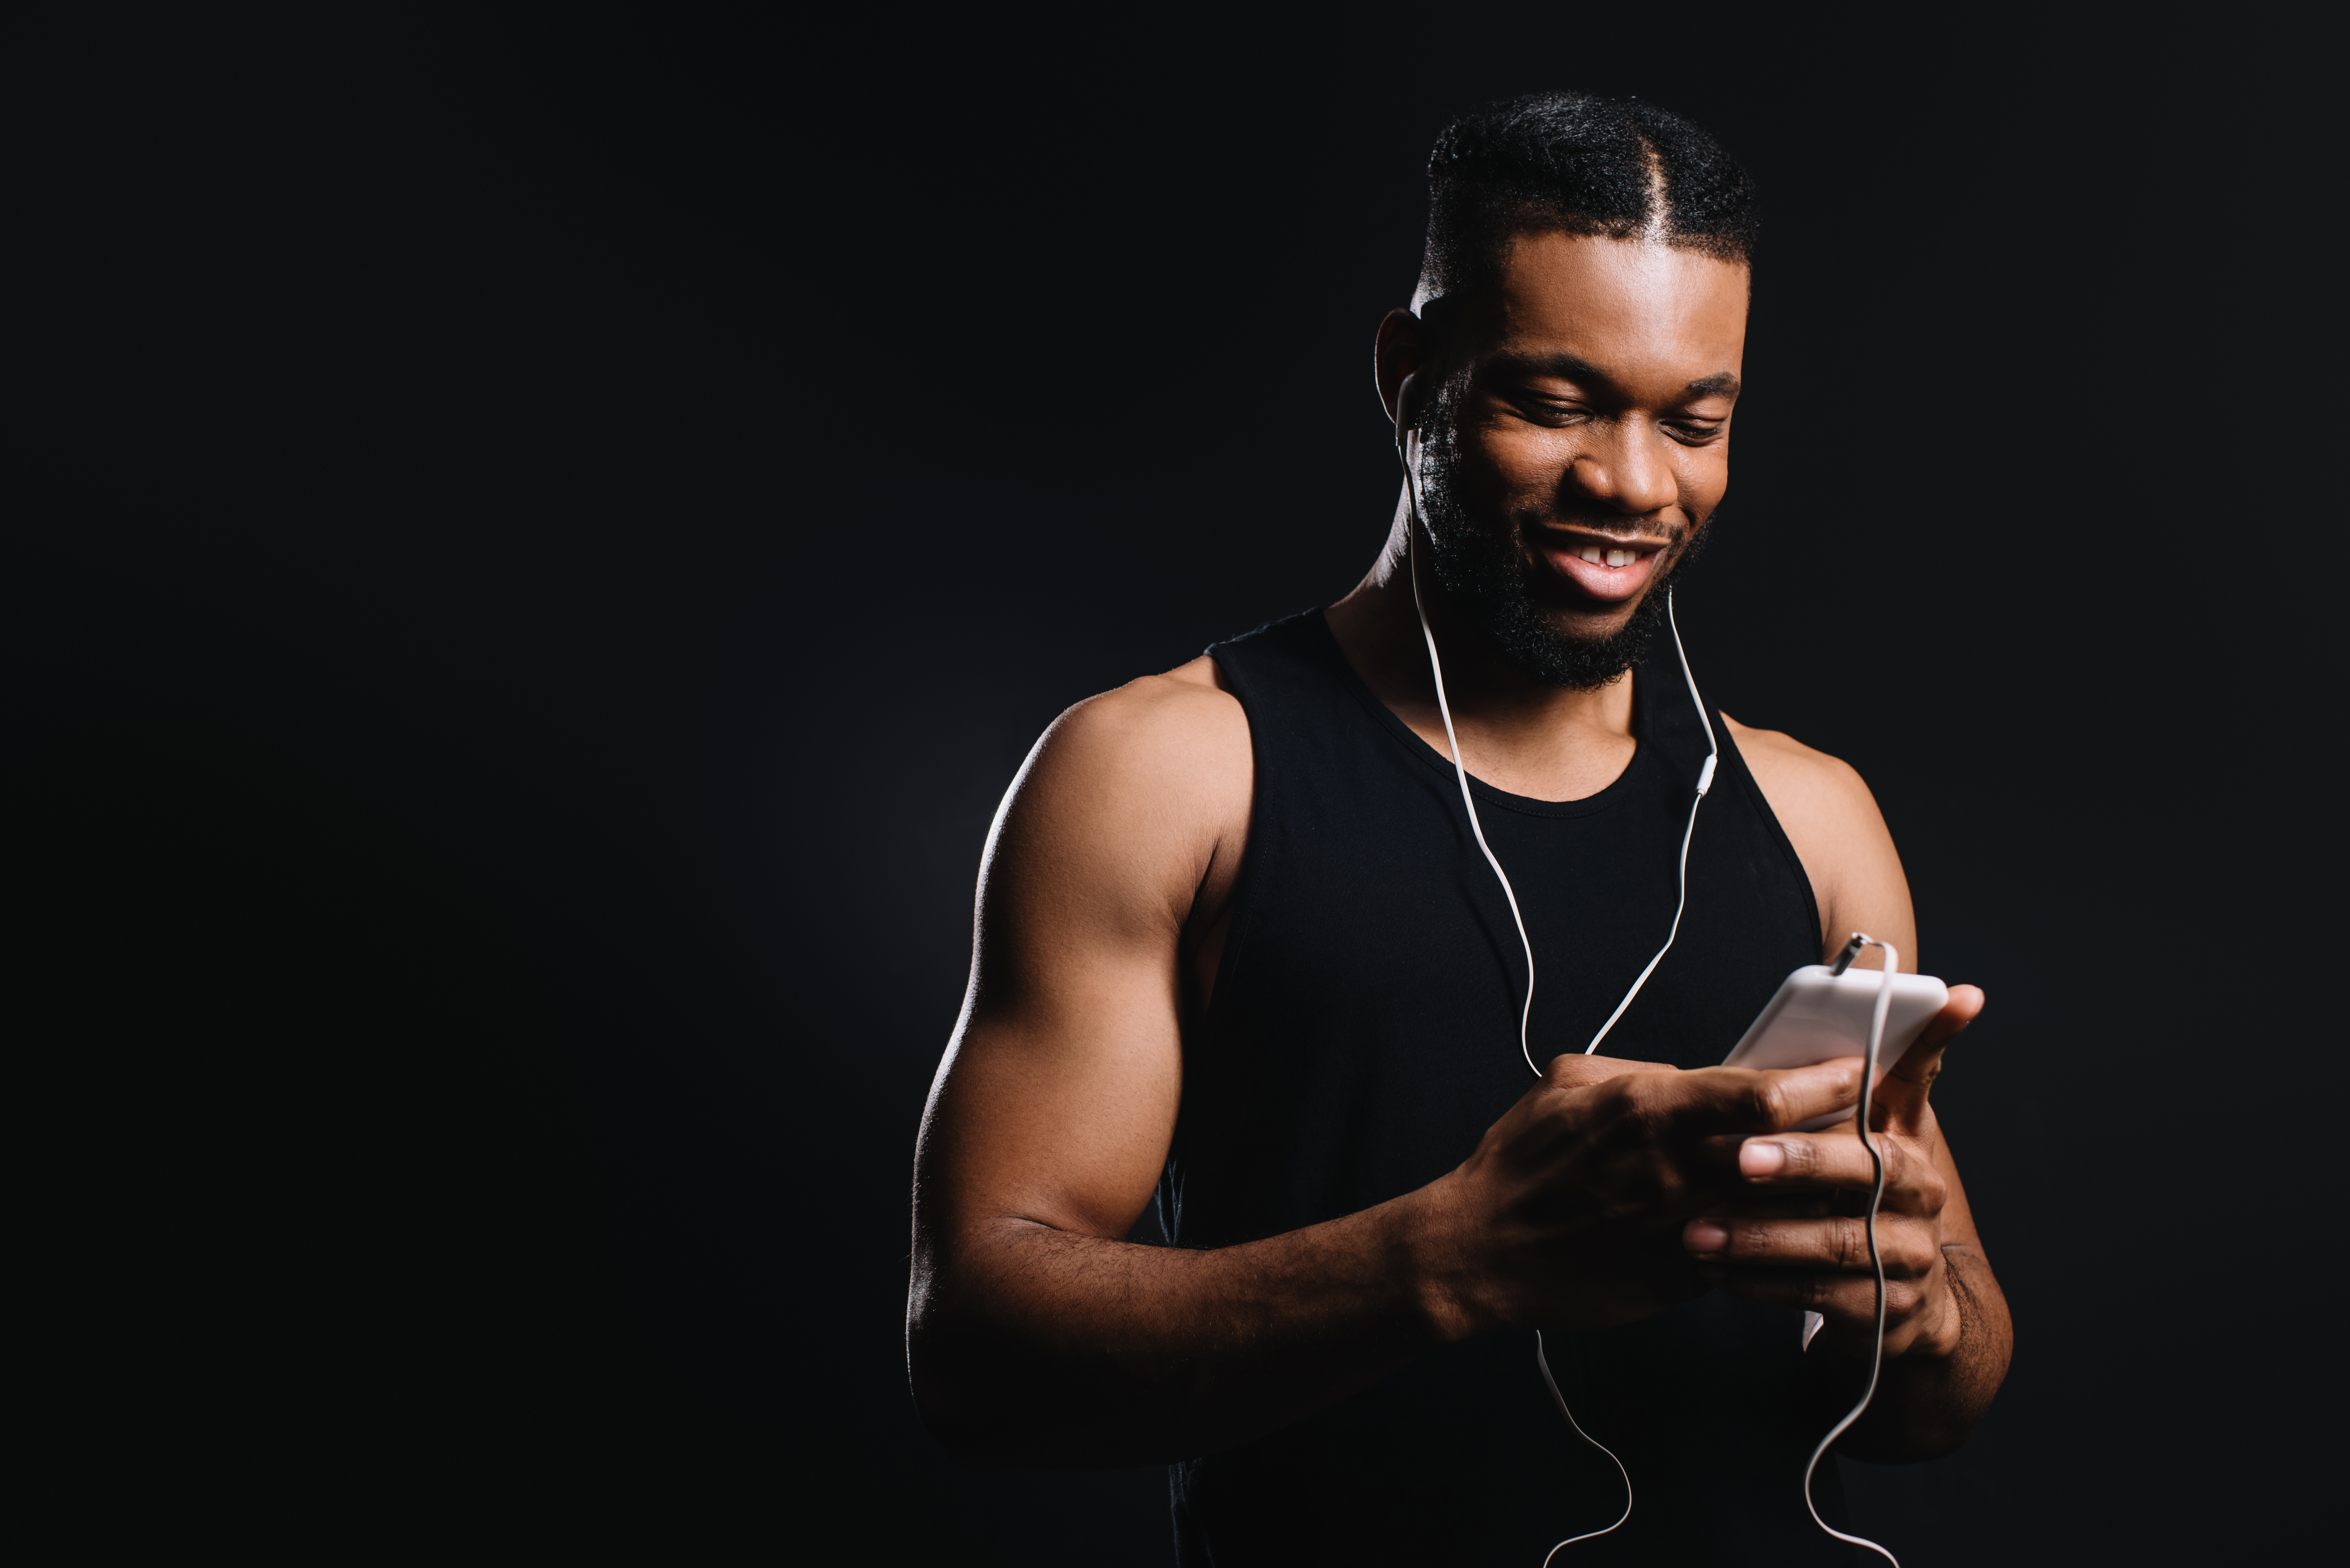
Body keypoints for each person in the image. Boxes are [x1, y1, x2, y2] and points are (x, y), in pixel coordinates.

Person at [907, 90, 2012, 1565]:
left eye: (1695, 421)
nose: (1631, 482)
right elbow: (977, 1359)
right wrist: (1458, 1254)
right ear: (1408, 372)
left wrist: (1920, 1307)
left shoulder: (1815, 817)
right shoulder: (1164, 772)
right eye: (1553, 404)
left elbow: (1942, 1389)